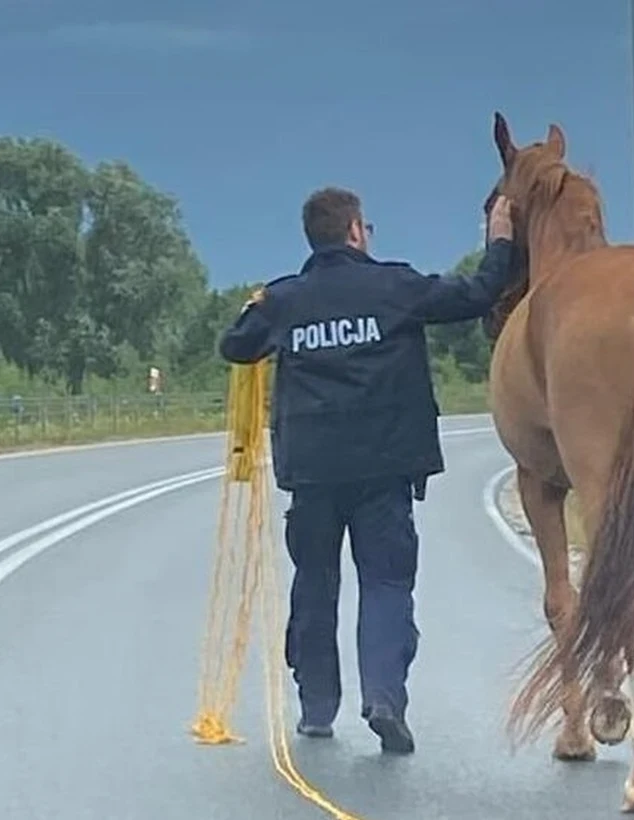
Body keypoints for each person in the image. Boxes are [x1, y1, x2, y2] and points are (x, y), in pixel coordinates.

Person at [219, 186, 515, 754]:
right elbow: (478, 294)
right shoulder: (396, 287)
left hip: (312, 476)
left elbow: (236, 346)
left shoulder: (285, 300)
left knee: (315, 585)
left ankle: (316, 707)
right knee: (384, 584)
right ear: (355, 231)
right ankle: (383, 697)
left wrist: (257, 304)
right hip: (384, 472)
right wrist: (498, 239)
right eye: (367, 227)